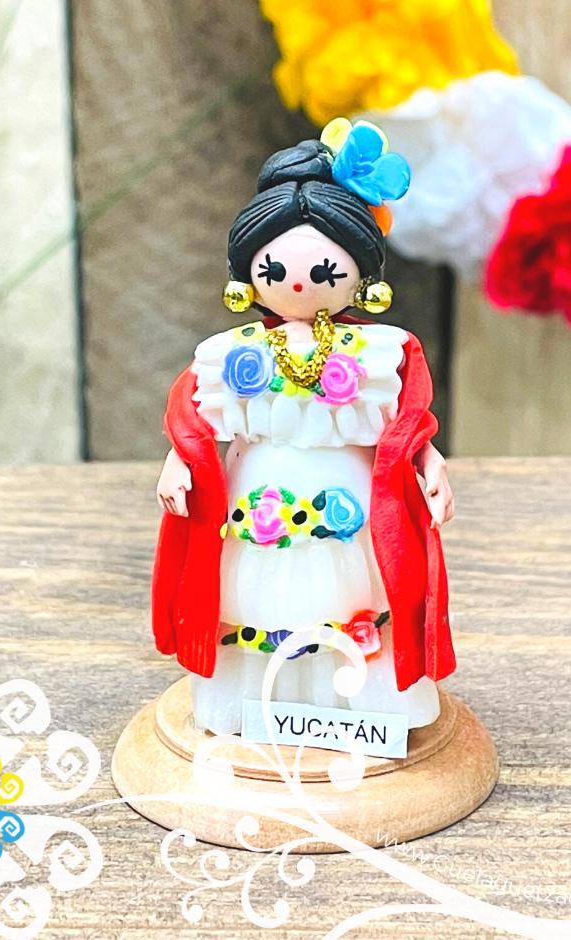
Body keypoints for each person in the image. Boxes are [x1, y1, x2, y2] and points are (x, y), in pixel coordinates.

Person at [152, 120, 457, 736]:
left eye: (323, 271)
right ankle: (260, 701)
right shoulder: (229, 355)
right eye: (275, 268)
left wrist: (430, 464)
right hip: (256, 491)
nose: (299, 284)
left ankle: (351, 706)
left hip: (350, 494)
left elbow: (407, 423)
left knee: (350, 596)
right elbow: (194, 420)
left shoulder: (378, 354)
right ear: (248, 272)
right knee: (259, 596)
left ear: (359, 274)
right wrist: (177, 461)